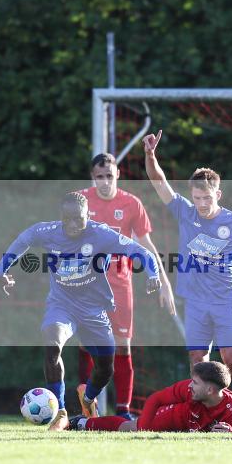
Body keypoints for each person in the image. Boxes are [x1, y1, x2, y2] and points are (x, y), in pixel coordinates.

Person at [0, 192, 161, 431]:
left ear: (87, 215)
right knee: (52, 343)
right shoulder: (48, 231)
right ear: (61, 217)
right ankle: (60, 411)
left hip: (95, 310)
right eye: (68, 219)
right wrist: (2, 270)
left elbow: (141, 252)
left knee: (105, 368)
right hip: (62, 305)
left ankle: (88, 399)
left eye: (79, 219)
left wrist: (153, 274)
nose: (73, 224)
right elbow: (23, 240)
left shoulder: (101, 234)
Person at [142, 130, 232, 406]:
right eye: (197, 198)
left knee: (230, 358)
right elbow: (158, 181)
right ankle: (202, 411)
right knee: (198, 361)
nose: (201, 204)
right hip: (196, 301)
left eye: (206, 199)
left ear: (217, 194)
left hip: (225, 299)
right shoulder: (185, 212)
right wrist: (150, 155)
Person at [77, 153, 175, 420]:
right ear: (92, 177)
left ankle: (123, 410)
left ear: (118, 175)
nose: (105, 182)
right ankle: (86, 407)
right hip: (86, 284)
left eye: (109, 176)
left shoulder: (131, 204)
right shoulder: (79, 202)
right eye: (100, 177)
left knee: (122, 346)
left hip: (120, 284)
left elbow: (147, 246)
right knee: (86, 346)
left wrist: (164, 282)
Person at [68, 361, 232, 433]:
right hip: (179, 416)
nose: (190, 385)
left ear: (211, 390)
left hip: (191, 425)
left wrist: (231, 434)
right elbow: (155, 399)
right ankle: (82, 423)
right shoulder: (186, 390)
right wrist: (144, 430)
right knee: (129, 428)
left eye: (196, 383)